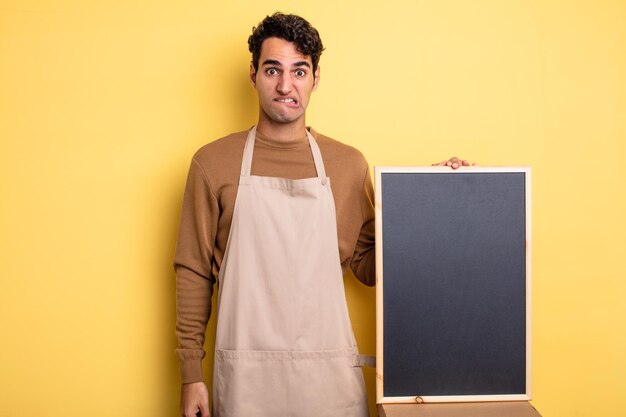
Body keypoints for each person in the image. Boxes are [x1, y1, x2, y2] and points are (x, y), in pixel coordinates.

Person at [174, 12, 471, 417]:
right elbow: (192, 270)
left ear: (315, 78)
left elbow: (369, 268)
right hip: (247, 381)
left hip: (328, 382)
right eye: (272, 70)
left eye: (299, 71)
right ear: (253, 74)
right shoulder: (213, 163)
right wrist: (192, 375)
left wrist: (429, 200)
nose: (285, 85)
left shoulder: (348, 165)